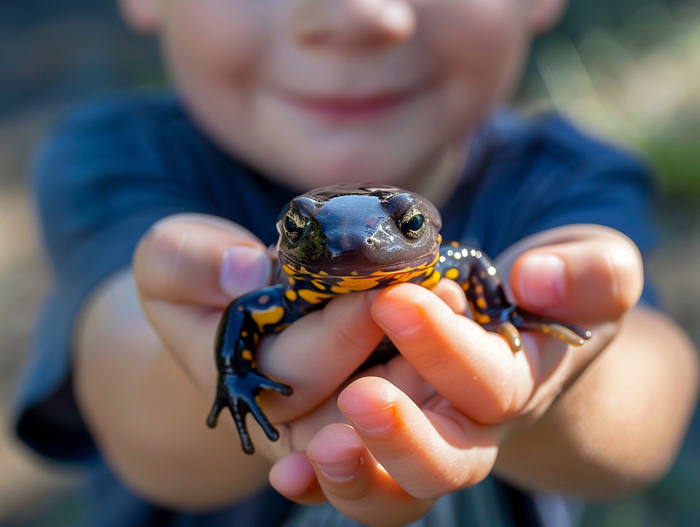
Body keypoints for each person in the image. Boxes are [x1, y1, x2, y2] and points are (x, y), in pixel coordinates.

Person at [12, 0, 699, 525]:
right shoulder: (121, 161)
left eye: (402, 225)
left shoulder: (566, 179)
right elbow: (125, 364)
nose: (358, 16)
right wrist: (227, 379)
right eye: (308, 230)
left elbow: (650, 390)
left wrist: (535, 378)